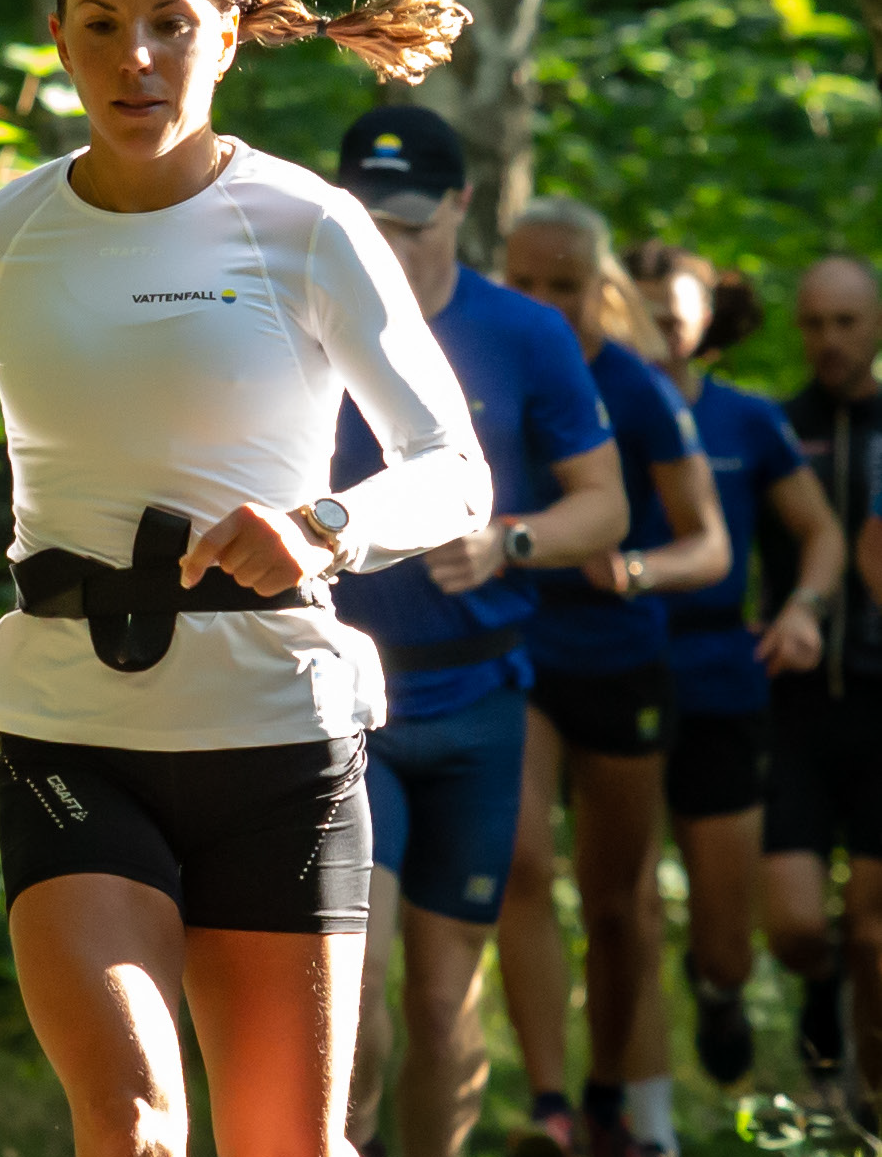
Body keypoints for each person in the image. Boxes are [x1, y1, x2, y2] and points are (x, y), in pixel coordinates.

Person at [0, 0, 495, 1157]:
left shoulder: (312, 225)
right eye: (99, 25)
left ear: (230, 31)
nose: (133, 58)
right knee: (134, 1126)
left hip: (277, 738)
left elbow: (451, 469)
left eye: (170, 24)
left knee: (288, 1146)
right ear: (59, 38)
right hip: (71, 735)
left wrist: (324, 526)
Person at [327, 108, 628, 1157]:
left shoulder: (526, 334)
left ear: (462, 205)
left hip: (477, 707)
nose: (391, 248)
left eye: (413, 224)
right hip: (340, 708)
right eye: (369, 223)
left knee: (448, 1002)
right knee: (352, 997)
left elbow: (605, 507)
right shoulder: (295, 324)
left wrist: (511, 542)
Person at [495, 199, 730, 1157]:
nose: (543, 304)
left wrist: (636, 569)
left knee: (618, 901)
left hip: (622, 658)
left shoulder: (636, 390)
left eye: (564, 286)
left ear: (601, 291)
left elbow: (710, 546)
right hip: (519, 648)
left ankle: (607, 1095)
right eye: (524, 284)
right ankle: (549, 1104)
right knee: (521, 867)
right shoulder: (479, 363)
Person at [618, 243, 843, 1148]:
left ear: (707, 319)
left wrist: (803, 608)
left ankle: (717, 991)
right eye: (642, 315)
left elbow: (818, 532)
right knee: (622, 904)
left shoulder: (747, 421)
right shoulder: (587, 409)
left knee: (725, 937)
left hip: (721, 677)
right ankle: (640, 1123)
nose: (660, 332)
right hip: (612, 670)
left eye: (675, 316)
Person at [756, 255, 882, 1132]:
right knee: (799, 927)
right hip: (793, 709)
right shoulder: (774, 427)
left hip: (881, 711)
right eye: (814, 323)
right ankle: (820, 990)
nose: (829, 340)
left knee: (876, 932)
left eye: (846, 322)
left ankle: (864, 1107)